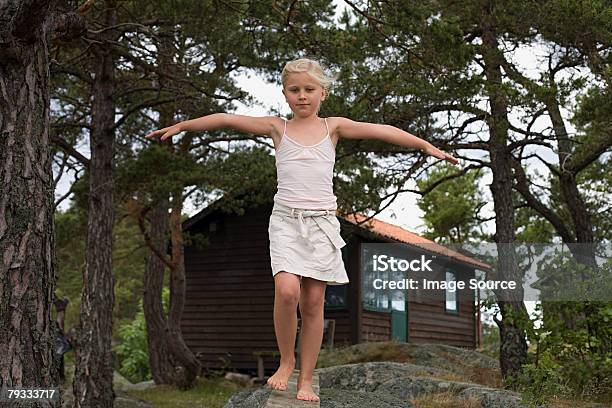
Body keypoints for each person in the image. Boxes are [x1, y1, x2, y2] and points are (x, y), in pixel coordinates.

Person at [146, 58, 458, 402]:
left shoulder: (333, 128)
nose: (303, 96)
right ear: (285, 94)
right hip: (286, 222)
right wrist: (184, 126)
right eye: (295, 90)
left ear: (322, 93)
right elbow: (226, 118)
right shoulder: (278, 128)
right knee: (286, 291)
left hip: (322, 223)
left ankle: (306, 378)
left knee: (313, 301)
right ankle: (286, 361)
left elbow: (383, 130)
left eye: (309, 89)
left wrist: (425, 146)